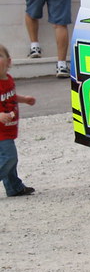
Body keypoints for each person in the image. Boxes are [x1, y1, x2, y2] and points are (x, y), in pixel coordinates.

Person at [0, 43, 37, 197]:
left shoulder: (8, 79)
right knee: (9, 157)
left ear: (9, 61)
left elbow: (11, 96)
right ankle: (14, 186)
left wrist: (23, 99)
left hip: (8, 128)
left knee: (10, 161)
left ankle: (14, 187)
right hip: (1, 132)